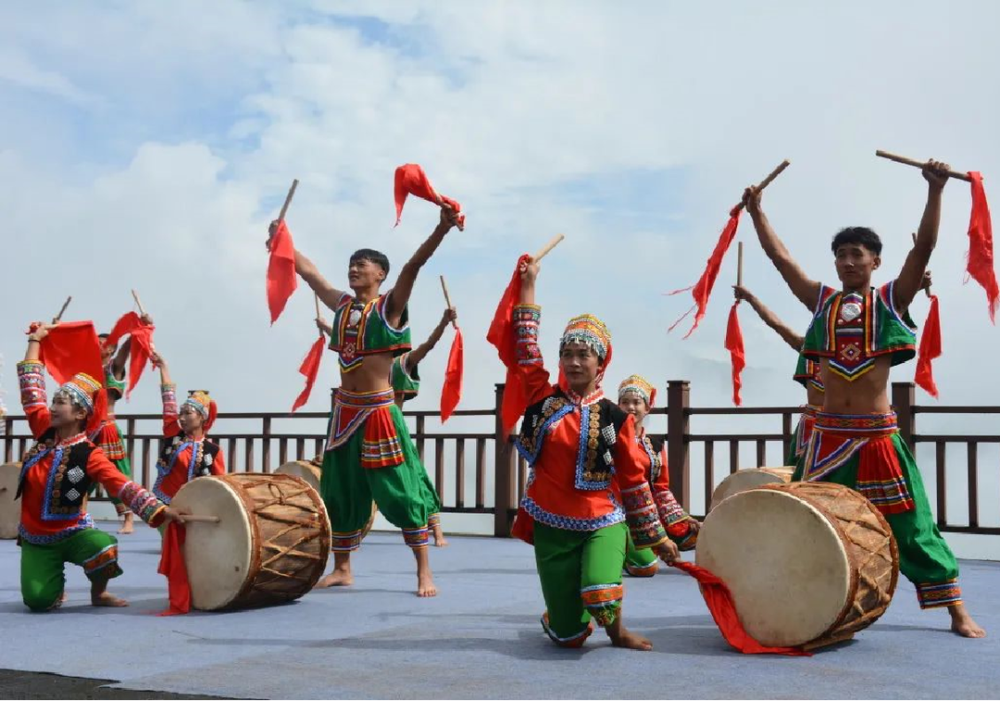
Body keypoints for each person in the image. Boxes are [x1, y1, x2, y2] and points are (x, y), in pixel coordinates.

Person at [744, 159, 985, 638]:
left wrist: (935, 190)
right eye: (841, 255)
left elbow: (926, 247)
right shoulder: (822, 302)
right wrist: (757, 212)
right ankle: (809, 609)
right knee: (809, 521)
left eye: (857, 254)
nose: (848, 262)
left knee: (912, 525)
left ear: (875, 261)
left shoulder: (890, 301)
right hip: (827, 439)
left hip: (876, 439)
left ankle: (955, 609)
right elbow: (781, 260)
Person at [271, 205, 461, 596]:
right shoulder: (342, 306)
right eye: (352, 265)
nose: (354, 269)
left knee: (400, 489)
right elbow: (310, 274)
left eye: (362, 265)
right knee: (339, 489)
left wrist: (441, 228)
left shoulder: (389, 308)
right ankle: (342, 568)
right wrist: (281, 240)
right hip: (344, 412)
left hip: (378, 412)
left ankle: (424, 571)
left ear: (380, 274)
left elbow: (413, 266)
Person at [506, 258, 678, 651]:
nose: (574, 361)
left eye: (584, 354)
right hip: (551, 519)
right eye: (567, 353)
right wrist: (528, 285)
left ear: (601, 362)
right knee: (567, 637)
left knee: (601, 591)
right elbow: (526, 348)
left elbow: (634, 478)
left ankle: (617, 633)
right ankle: (560, 617)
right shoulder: (543, 399)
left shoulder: (616, 417)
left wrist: (656, 536)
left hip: (602, 517)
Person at [17, 323, 185, 612]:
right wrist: (35, 340)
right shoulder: (43, 428)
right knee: (38, 602)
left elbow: (122, 484)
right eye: (53, 401)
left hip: (72, 531)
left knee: (103, 546)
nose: (52, 407)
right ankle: (52, 581)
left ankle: (99, 592)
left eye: (61, 403)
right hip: (36, 536)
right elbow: (31, 388)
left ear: (81, 413)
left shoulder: (89, 454)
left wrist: (160, 510)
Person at [317, 307, 457, 547]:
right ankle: (347, 536)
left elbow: (428, 345)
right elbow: (344, 342)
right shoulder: (366, 357)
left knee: (414, 477)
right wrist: (326, 326)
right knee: (354, 477)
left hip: (392, 430)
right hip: (364, 426)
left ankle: (435, 530)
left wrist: (444, 322)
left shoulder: (403, 362)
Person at [616, 374, 699, 577]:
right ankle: (620, 551)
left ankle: (642, 546)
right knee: (646, 568)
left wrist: (683, 517)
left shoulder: (655, 446)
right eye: (624, 402)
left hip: (646, 511)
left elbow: (660, 489)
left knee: (691, 535)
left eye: (636, 402)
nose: (630, 407)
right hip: (616, 513)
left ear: (647, 408)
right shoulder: (611, 440)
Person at [92, 317, 151, 535]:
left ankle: (128, 518)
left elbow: (125, 350)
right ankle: (77, 515)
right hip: (87, 430)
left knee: (117, 475)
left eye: (102, 344)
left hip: (107, 429)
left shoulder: (113, 368)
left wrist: (139, 329)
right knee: (81, 473)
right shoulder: (86, 370)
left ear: (111, 350)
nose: (97, 346)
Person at [149, 351, 224, 509]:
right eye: (181, 413)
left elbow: (221, 485)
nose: (182, 418)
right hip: (165, 505)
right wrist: (163, 367)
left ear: (202, 417)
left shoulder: (213, 451)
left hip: (196, 510)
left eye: (188, 413)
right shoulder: (173, 433)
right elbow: (168, 401)